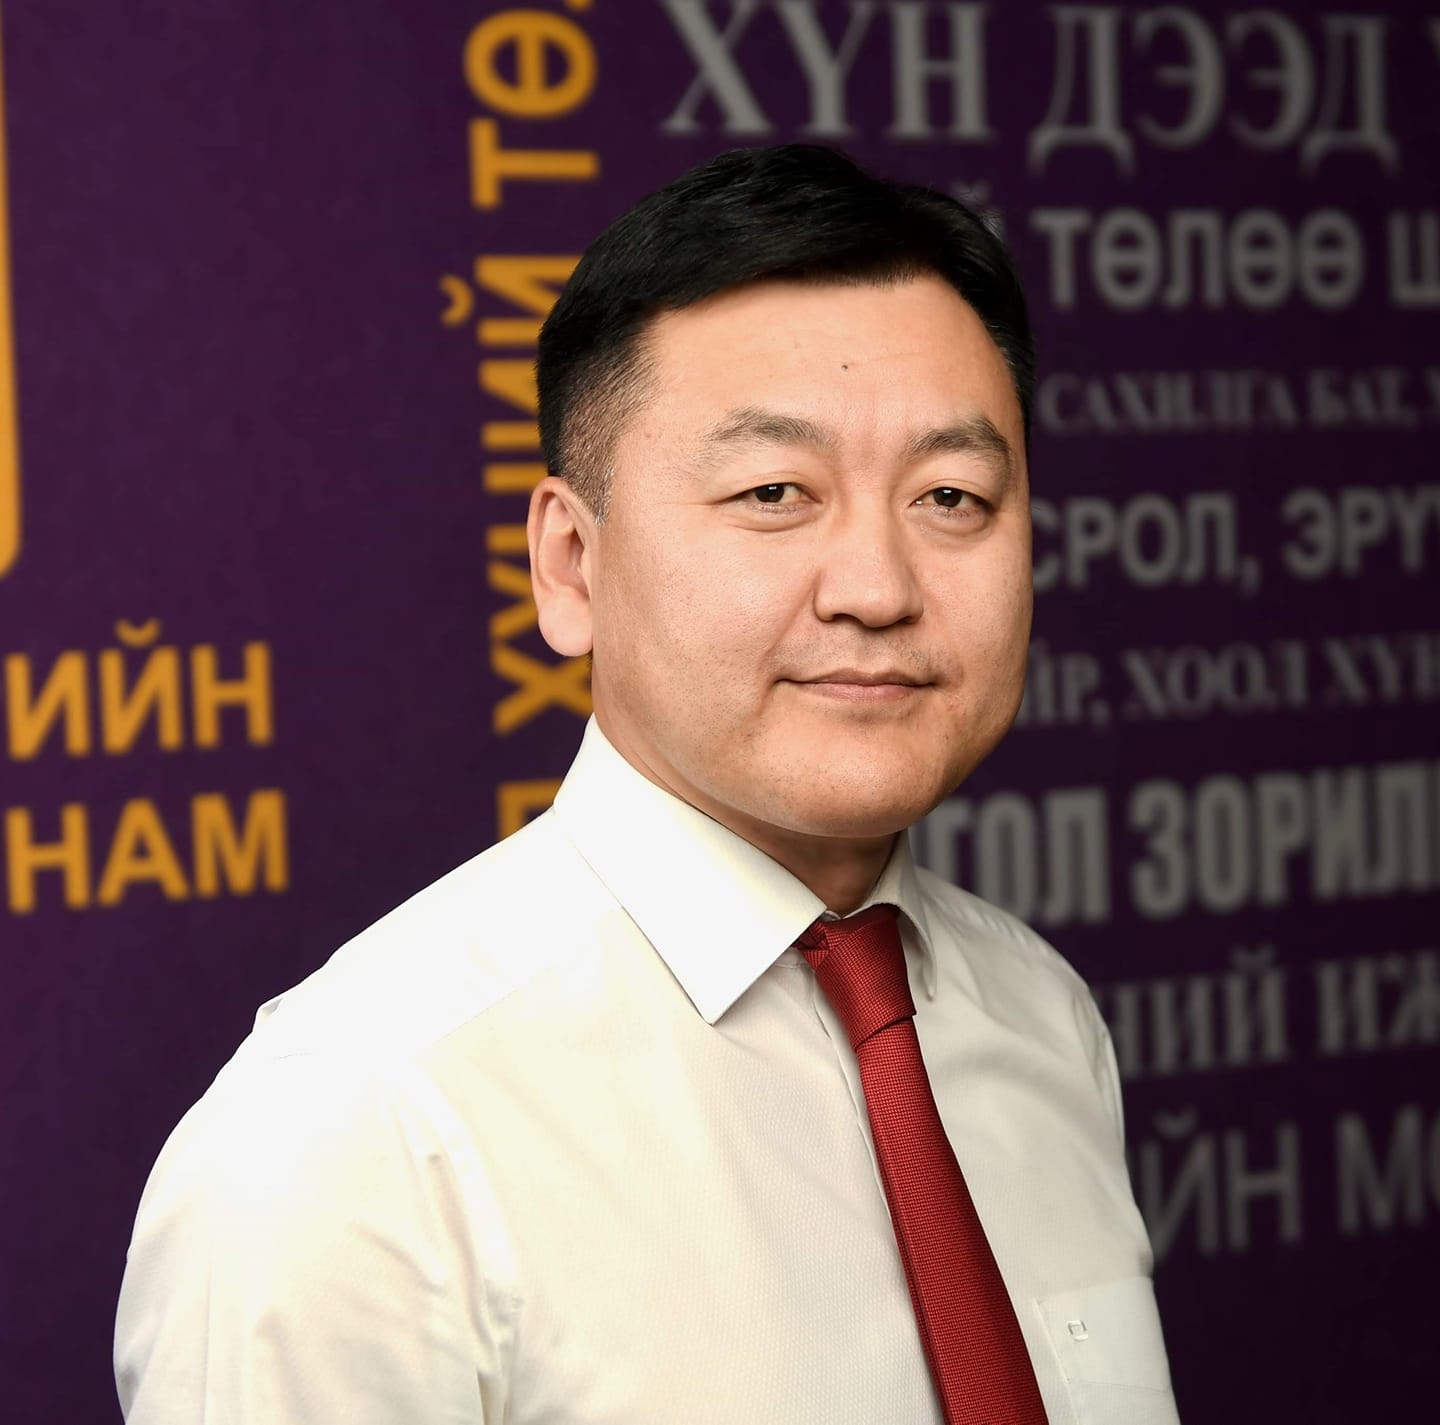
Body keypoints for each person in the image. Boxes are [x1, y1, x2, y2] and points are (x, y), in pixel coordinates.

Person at [115, 145, 1179, 1424]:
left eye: (952, 496)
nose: (878, 588)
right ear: (570, 565)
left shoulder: (1040, 1017)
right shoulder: (364, 1137)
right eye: (774, 492)